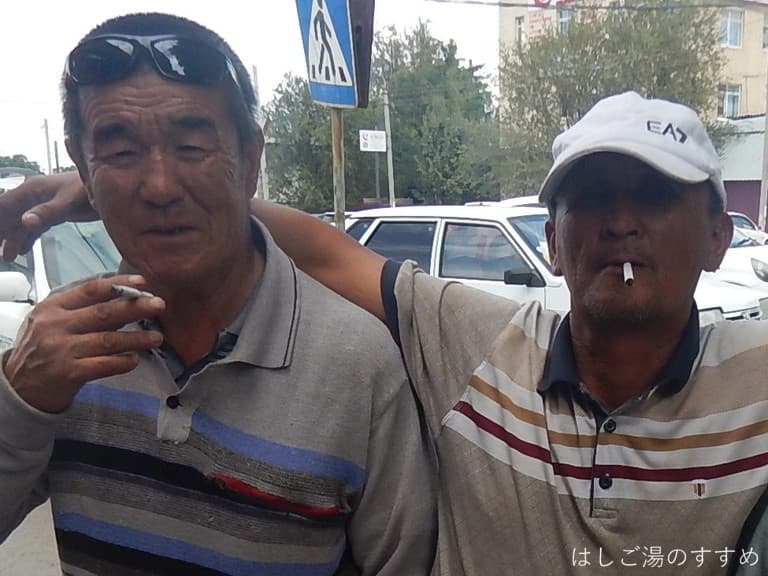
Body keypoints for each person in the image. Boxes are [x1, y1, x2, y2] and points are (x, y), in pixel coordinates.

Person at [4, 92, 768, 575]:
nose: (622, 222)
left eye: (656, 198)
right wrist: (128, 193)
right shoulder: (480, 343)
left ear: (716, 237)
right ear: (555, 244)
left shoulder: (757, 378)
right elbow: (326, 254)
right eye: (592, 198)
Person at [0, 12, 437, 576]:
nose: (160, 186)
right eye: (122, 152)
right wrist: (21, 400)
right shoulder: (63, 347)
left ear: (251, 158)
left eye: (191, 145)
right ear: (83, 170)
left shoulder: (359, 365)